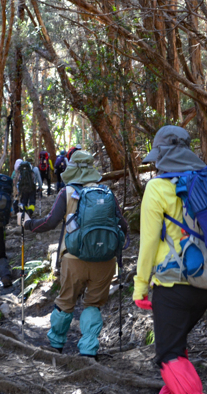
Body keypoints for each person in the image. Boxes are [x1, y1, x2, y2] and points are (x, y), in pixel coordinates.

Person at [133, 125, 207, 394]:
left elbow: (148, 244)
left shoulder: (157, 189)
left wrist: (139, 286)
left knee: (169, 354)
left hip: (172, 285)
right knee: (177, 346)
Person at [21, 150, 129, 359]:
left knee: (65, 302)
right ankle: (89, 351)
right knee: (93, 304)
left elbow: (49, 223)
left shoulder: (68, 192)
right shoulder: (106, 192)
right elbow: (123, 226)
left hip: (73, 258)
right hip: (105, 260)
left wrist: (27, 223)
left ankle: (56, 346)